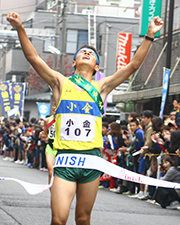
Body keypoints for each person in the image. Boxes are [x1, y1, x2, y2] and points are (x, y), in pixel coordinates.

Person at [7, 12, 163, 225]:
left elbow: (133, 66)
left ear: (97, 67)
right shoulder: (60, 82)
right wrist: (20, 29)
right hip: (66, 160)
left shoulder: (102, 87)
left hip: (91, 160)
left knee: (83, 218)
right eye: (82, 52)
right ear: (73, 62)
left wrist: (150, 35)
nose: (87, 53)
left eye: (91, 53)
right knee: (58, 219)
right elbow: (33, 57)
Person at [43, 102, 57, 185]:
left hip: (61, 148)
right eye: (53, 105)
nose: (54, 108)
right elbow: (46, 133)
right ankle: (52, 193)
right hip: (50, 147)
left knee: (58, 174)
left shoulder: (64, 120)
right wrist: (44, 136)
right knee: (51, 171)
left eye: (57, 106)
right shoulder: (47, 120)